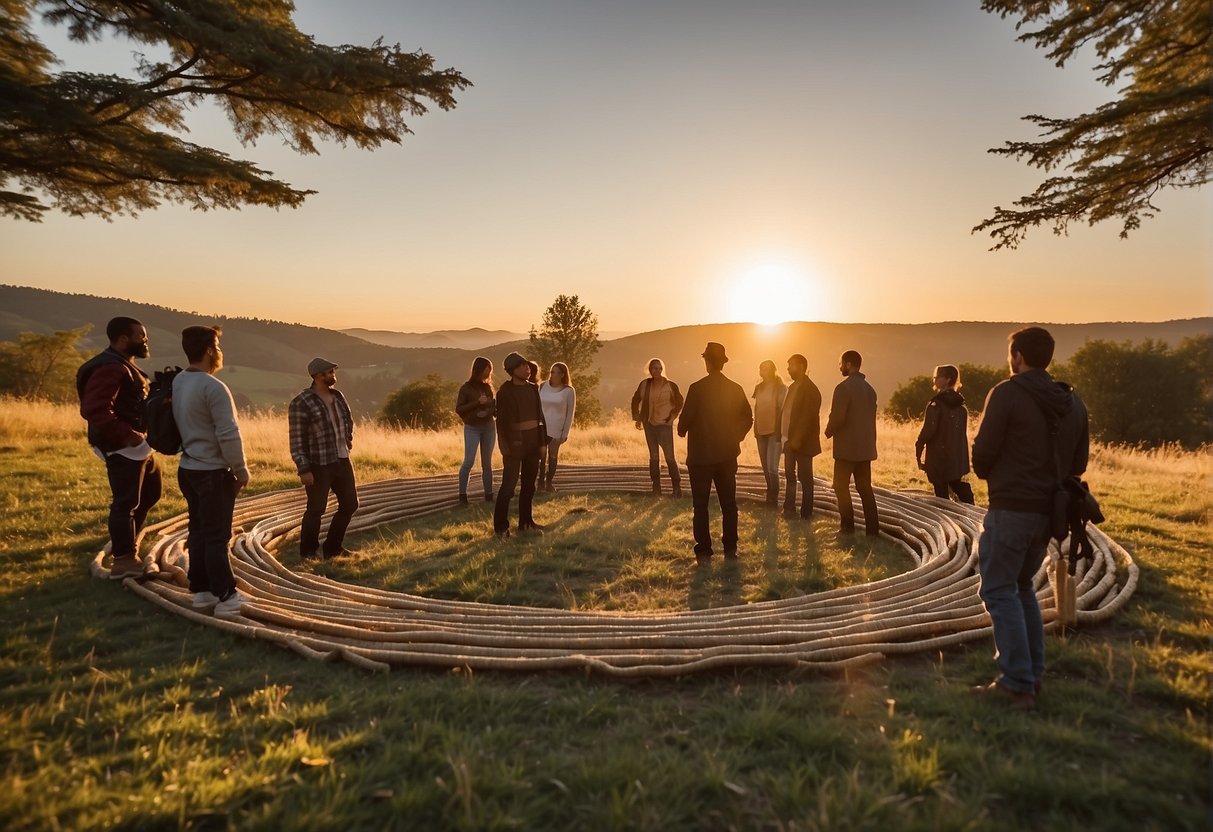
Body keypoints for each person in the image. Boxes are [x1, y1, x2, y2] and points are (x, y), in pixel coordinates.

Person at [970, 326, 1089, 710]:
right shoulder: (1073, 402)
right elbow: (1079, 463)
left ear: (1017, 356)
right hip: (1048, 513)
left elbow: (983, 459)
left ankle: (1017, 683)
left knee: (999, 590)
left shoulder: (1007, 394)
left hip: (1011, 509)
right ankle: (1031, 675)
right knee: (1022, 588)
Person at [172, 325, 250, 617]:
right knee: (217, 536)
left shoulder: (179, 381)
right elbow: (228, 434)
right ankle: (228, 597)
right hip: (212, 472)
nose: (219, 350)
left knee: (199, 530)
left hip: (188, 468)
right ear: (208, 350)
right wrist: (241, 470)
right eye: (217, 345)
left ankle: (202, 591)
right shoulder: (213, 387)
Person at [76, 316, 162, 580]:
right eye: (141, 336)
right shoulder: (111, 368)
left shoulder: (123, 365)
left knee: (150, 494)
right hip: (123, 446)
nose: (145, 340)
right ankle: (124, 560)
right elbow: (95, 410)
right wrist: (129, 436)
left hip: (137, 444)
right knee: (126, 502)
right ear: (123, 339)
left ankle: (128, 545)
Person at [677, 342, 753, 564]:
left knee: (700, 506)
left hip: (700, 458)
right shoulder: (735, 388)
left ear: (708, 362)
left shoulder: (697, 388)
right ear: (723, 363)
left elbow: (684, 422)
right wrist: (735, 437)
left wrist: (682, 430)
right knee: (729, 505)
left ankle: (704, 551)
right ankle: (730, 548)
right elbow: (748, 418)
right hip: (727, 456)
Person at [288, 357, 359, 559]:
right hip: (319, 464)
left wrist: (348, 440)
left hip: (342, 459)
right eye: (329, 372)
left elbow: (348, 420)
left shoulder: (338, 396)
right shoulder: (301, 403)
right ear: (318, 376)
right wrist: (303, 468)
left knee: (350, 504)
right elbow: (296, 438)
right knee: (316, 509)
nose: (333, 375)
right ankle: (308, 552)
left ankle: (333, 548)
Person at [824, 350, 880, 536]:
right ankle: (873, 530)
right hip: (865, 448)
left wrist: (828, 431)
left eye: (841, 363)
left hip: (847, 449)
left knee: (840, 486)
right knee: (865, 488)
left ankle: (847, 527)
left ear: (848, 364)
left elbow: (838, 417)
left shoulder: (843, 388)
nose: (839, 366)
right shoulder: (870, 389)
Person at [493, 352, 548, 538]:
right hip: (515, 445)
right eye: (522, 366)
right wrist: (505, 448)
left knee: (529, 486)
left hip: (534, 441)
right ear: (512, 370)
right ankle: (501, 527)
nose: (528, 369)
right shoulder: (504, 393)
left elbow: (540, 416)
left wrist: (543, 441)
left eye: (527, 365)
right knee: (508, 486)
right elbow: (501, 423)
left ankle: (526, 523)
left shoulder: (534, 388)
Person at [914, 364, 975, 504]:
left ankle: (947, 519)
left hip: (938, 457)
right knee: (955, 483)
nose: (934, 379)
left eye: (937, 377)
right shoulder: (961, 406)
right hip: (956, 458)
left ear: (947, 380)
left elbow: (929, 431)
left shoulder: (936, 404)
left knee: (941, 495)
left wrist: (919, 444)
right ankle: (969, 507)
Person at [630, 358, 684, 497]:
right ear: (650, 370)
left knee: (670, 457)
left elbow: (679, 402)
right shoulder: (645, 384)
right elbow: (636, 399)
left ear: (663, 369)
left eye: (659, 368)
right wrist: (637, 417)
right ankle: (656, 488)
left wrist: (673, 417)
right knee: (654, 457)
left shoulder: (671, 385)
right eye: (654, 368)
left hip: (665, 425)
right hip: (649, 424)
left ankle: (677, 489)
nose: (657, 371)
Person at [781, 354, 822, 520]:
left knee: (805, 479)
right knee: (790, 476)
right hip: (789, 441)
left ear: (801, 366)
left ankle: (806, 513)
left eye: (791, 365)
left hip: (802, 443)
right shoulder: (792, 387)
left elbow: (807, 418)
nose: (788, 369)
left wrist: (796, 441)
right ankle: (789, 509)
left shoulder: (810, 389)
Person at [454, 356, 496, 504]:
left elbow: (493, 407)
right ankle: (462, 496)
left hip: (489, 427)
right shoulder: (466, 388)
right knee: (469, 461)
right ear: (479, 369)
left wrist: (489, 409)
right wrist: (477, 403)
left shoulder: (488, 387)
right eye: (487, 369)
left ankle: (489, 495)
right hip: (472, 428)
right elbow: (459, 409)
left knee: (487, 463)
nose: (489, 373)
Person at [751, 360, 786, 507]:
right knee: (765, 466)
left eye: (765, 369)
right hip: (761, 431)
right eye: (761, 368)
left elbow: (783, 410)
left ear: (772, 370)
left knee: (772, 467)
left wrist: (781, 432)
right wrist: (756, 428)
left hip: (774, 432)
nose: (762, 371)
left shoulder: (781, 388)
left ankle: (774, 497)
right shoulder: (758, 387)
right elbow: (757, 407)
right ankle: (769, 495)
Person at [538, 362, 576, 491]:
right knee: (541, 457)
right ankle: (540, 483)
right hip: (542, 427)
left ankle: (549, 482)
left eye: (557, 372)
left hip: (557, 429)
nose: (553, 375)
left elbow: (570, 413)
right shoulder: (542, 386)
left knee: (552, 456)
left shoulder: (568, 391)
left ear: (563, 375)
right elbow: (536, 407)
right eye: (552, 372)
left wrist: (565, 434)